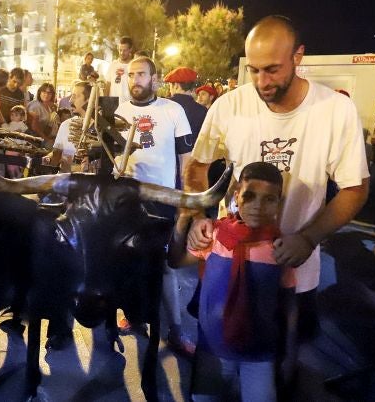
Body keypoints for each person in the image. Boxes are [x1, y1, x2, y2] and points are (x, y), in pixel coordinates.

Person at [184, 16, 369, 342]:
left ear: (298, 56)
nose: (261, 81)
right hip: (231, 262)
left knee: (284, 359)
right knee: (217, 355)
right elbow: (197, 168)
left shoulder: (336, 110)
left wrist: (308, 238)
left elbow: (355, 188)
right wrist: (199, 216)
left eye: (272, 69)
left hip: (294, 268)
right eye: (254, 70)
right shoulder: (229, 106)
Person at [180, 162, 296, 402]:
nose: (257, 207)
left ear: (279, 202)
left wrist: (289, 353)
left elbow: (289, 304)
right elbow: (176, 261)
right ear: (236, 197)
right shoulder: (214, 234)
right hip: (213, 348)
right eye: (250, 196)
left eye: (269, 199)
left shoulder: (282, 248)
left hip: (260, 352)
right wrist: (184, 222)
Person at [115, 56, 197, 356]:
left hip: (162, 202)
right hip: (127, 201)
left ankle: (175, 331)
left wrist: (187, 204)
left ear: (155, 79)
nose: (135, 79)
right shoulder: (120, 112)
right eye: (131, 74)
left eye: (142, 74)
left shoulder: (173, 111)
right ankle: (133, 317)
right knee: (127, 262)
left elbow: (186, 160)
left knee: (165, 267)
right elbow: (112, 155)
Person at [164, 66, 207, 137]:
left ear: (176, 86)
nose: (170, 89)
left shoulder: (164, 105)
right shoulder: (202, 110)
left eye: (170, 86)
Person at [3, 104, 31, 178]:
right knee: (10, 163)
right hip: (10, 146)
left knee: (14, 162)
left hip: (16, 146)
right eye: (12, 114)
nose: (13, 116)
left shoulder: (21, 125)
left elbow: (19, 130)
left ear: (22, 117)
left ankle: (16, 176)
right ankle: (14, 176)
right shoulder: (11, 124)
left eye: (16, 115)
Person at [106, 36, 134, 104]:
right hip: (112, 104)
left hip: (128, 104)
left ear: (130, 49)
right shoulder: (113, 65)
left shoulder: (133, 66)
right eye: (120, 50)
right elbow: (107, 84)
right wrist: (106, 102)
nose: (122, 53)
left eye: (125, 50)